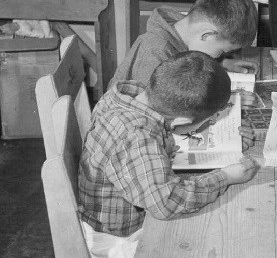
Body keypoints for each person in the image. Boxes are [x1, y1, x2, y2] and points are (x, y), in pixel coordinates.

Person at [78, 51, 259, 258]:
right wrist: (225, 177)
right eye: (209, 121)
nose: (210, 124)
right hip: (119, 239)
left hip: (126, 212)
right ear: (181, 122)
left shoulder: (126, 95)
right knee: (221, 239)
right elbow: (167, 203)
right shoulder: (136, 138)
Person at [110, 0, 258, 102]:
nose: (218, 55)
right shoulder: (154, 54)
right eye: (220, 52)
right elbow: (158, 110)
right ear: (206, 35)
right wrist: (229, 101)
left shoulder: (185, 28)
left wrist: (222, 63)